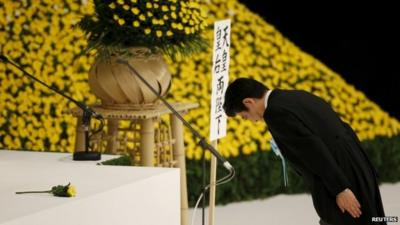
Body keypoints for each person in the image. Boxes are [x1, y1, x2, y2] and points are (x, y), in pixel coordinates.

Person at [223, 78, 386, 225]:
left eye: (245, 116)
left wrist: (340, 189)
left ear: (249, 102)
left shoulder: (275, 113)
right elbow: (343, 128)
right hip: (355, 163)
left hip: (341, 175)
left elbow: (313, 151)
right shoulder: (295, 96)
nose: (252, 120)